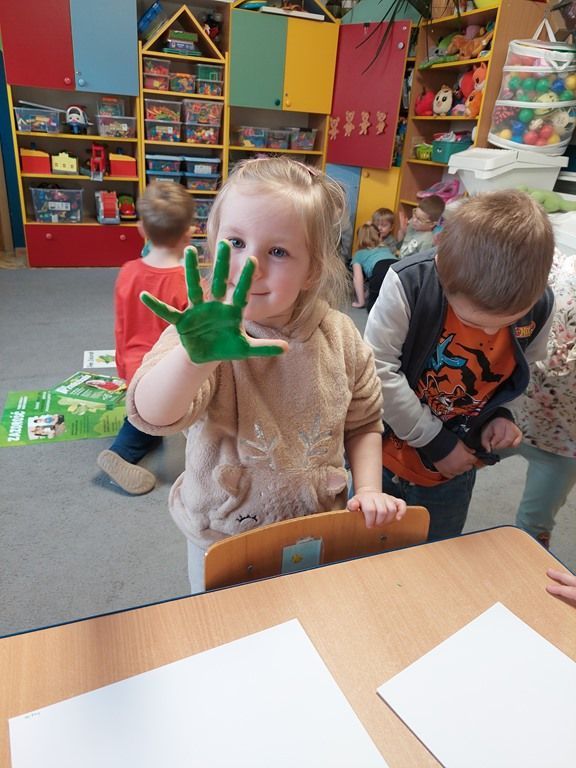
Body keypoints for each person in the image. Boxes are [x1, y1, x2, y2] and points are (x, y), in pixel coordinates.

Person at [126, 157, 406, 592]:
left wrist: (368, 489)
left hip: (314, 526)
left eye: (277, 252)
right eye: (236, 242)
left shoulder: (341, 336)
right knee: (223, 624)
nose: (250, 265)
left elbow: (365, 422)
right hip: (222, 535)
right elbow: (151, 414)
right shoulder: (203, 333)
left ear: (313, 269)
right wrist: (194, 359)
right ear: (212, 244)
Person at [364, 189, 555, 542]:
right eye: (473, 321)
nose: (489, 333)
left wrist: (503, 415)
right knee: (359, 550)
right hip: (381, 458)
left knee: (438, 554)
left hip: (455, 471)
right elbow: (376, 369)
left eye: (504, 322)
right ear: (442, 270)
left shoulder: (540, 305)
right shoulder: (409, 283)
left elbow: (523, 370)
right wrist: (436, 442)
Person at [97, 181, 194, 495]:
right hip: (162, 375)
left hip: (131, 365)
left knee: (149, 413)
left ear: (141, 229)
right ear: (189, 234)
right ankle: (120, 453)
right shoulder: (187, 283)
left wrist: (123, 365)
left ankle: (148, 424)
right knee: (153, 420)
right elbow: (193, 340)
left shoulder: (127, 271)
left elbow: (122, 325)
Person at [501, 249, 576, 549]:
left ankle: (526, 575)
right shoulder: (555, 263)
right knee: (449, 474)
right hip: (510, 414)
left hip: (565, 443)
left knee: (534, 525)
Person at [350, 222, 397, 308]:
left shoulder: (358, 254)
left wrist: (361, 302)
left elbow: (358, 278)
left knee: (374, 308)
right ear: (378, 236)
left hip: (380, 268)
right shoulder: (385, 248)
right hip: (397, 266)